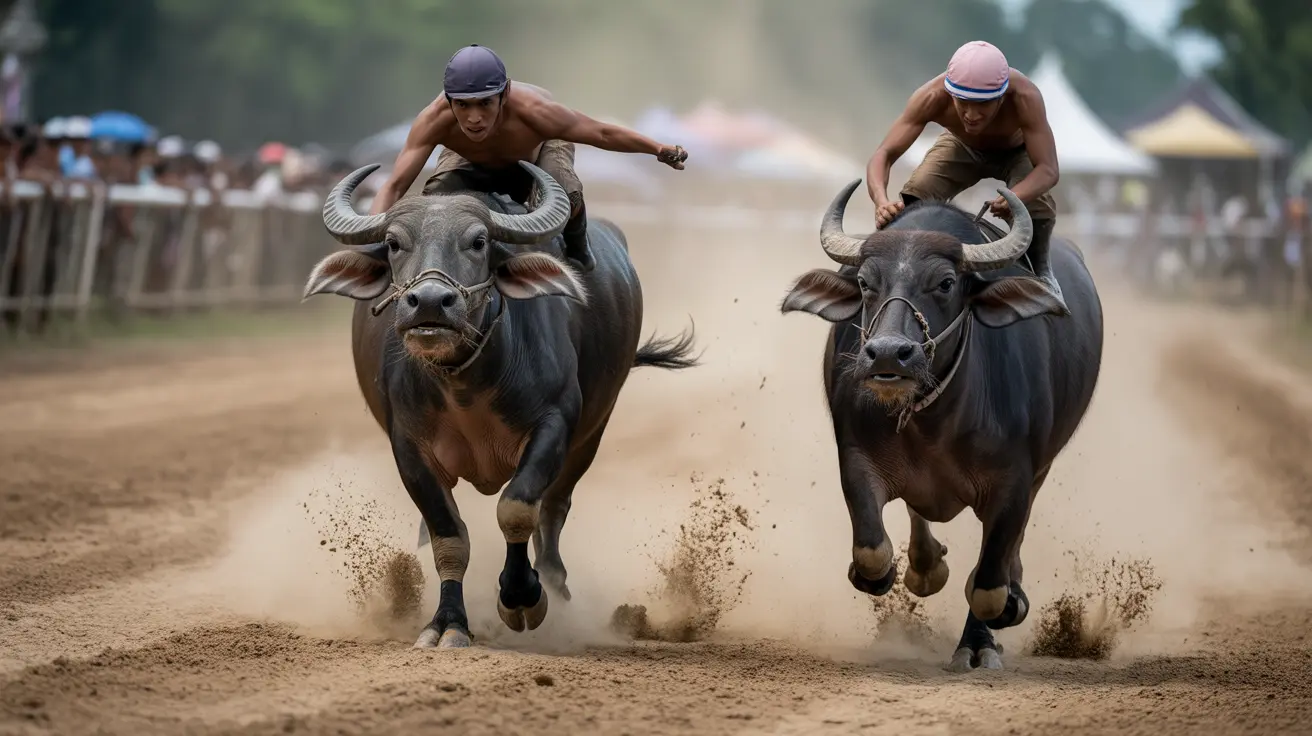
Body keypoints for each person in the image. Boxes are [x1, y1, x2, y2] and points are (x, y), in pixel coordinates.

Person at [369, 44, 689, 272]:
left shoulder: (535, 111)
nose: (474, 118)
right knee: (436, 203)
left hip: (538, 152)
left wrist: (657, 149)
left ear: (504, 94)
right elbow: (395, 186)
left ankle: (578, 247)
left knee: (566, 194)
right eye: (463, 105)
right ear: (449, 101)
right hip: (469, 159)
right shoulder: (434, 120)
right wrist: (371, 244)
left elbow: (601, 133)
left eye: (485, 103)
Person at [863, 40, 1067, 312]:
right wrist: (881, 201)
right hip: (961, 145)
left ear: (1002, 96)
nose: (971, 115)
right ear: (950, 93)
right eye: (962, 102)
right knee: (917, 192)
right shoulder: (931, 97)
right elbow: (884, 153)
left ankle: (1042, 271)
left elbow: (1048, 169)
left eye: (983, 104)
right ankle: (900, 274)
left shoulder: (1026, 97)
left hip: (1018, 152)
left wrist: (1016, 197)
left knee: (1033, 205)